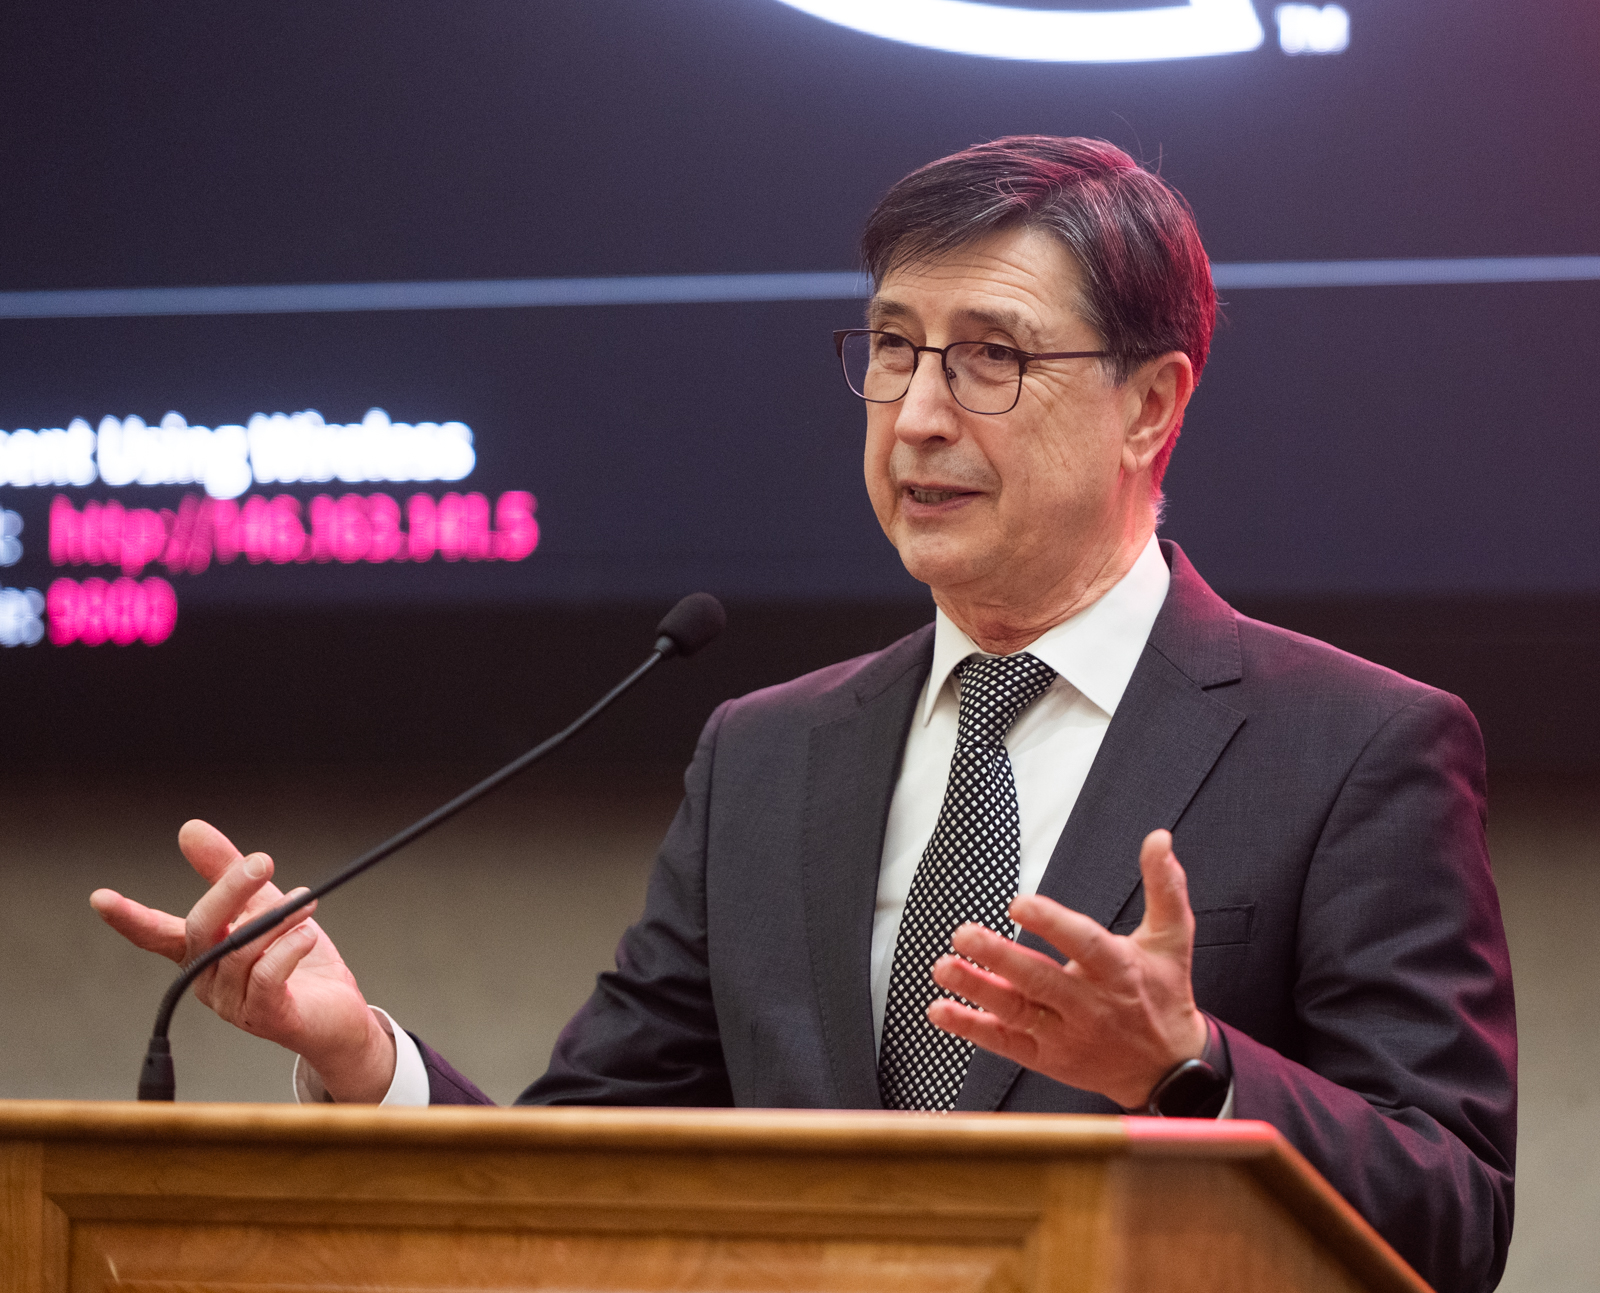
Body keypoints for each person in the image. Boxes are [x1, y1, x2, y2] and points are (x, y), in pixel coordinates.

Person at [92, 136, 1516, 1292]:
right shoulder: (768, 754)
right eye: (892, 348)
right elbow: (584, 1182)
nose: (914, 416)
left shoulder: (1357, 746)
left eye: (990, 357)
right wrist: (363, 1060)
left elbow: (1454, 1220)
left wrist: (1186, 1066)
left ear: (1152, 404)